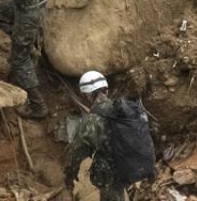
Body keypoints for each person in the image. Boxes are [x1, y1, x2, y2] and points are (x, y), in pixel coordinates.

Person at [63, 71, 156, 201]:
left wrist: (70, 174)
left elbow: (78, 152)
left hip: (111, 174)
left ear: (88, 96)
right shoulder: (125, 111)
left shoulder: (91, 121)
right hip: (132, 165)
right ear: (106, 91)